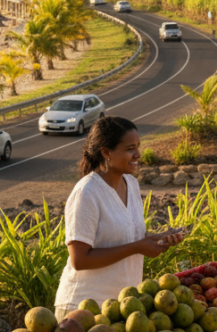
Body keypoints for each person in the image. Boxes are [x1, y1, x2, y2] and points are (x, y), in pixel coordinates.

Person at [54, 117, 185, 317]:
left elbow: (127, 237)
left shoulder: (131, 185)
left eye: (138, 147)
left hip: (121, 308)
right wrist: (137, 247)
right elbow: (79, 260)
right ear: (106, 152)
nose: (138, 155)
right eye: (130, 148)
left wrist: (157, 239)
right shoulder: (87, 192)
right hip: (83, 310)